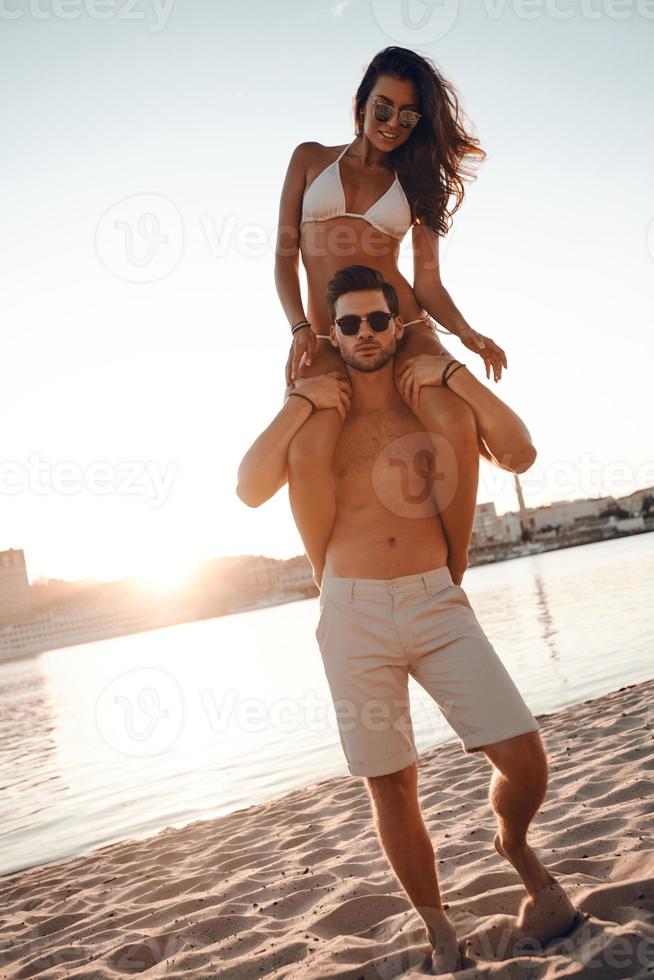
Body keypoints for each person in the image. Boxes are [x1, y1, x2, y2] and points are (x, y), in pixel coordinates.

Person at [236, 265, 578, 974]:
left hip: (433, 599)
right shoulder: (318, 409)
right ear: (334, 332)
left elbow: (519, 450)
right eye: (352, 323)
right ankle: (438, 926)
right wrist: (298, 401)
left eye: (378, 320)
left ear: (398, 324)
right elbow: (248, 489)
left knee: (524, 759)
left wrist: (457, 377)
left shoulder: (426, 395)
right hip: (351, 609)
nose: (366, 333)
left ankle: (512, 845)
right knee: (391, 782)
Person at [275, 45, 515, 590]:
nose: (391, 125)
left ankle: (454, 569)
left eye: (408, 117)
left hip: (402, 325)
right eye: (382, 108)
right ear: (362, 103)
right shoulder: (310, 159)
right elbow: (283, 258)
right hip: (326, 332)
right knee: (308, 450)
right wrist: (298, 330)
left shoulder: (417, 185)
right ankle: (327, 580)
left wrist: (466, 333)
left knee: (455, 423)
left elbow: (426, 282)